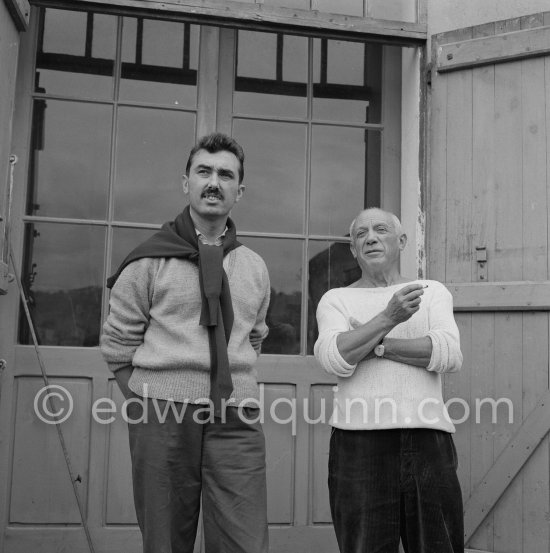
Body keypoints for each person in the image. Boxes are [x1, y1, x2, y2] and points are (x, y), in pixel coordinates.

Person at [100, 133, 270, 553]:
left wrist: (232, 387)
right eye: (204, 172)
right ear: (186, 182)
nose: (214, 182)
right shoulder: (149, 261)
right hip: (162, 415)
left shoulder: (254, 266)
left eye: (225, 175)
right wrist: (149, 401)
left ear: (239, 191)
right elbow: (118, 344)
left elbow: (254, 336)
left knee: (244, 541)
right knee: (165, 540)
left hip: (235, 417)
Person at [314, 208, 463, 553]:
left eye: (381, 230)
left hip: (429, 442)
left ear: (402, 241)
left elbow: (448, 354)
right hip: (357, 447)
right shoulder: (336, 299)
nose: (371, 238)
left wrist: (372, 343)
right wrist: (388, 317)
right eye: (360, 234)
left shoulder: (431, 292)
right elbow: (333, 358)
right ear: (353, 249)